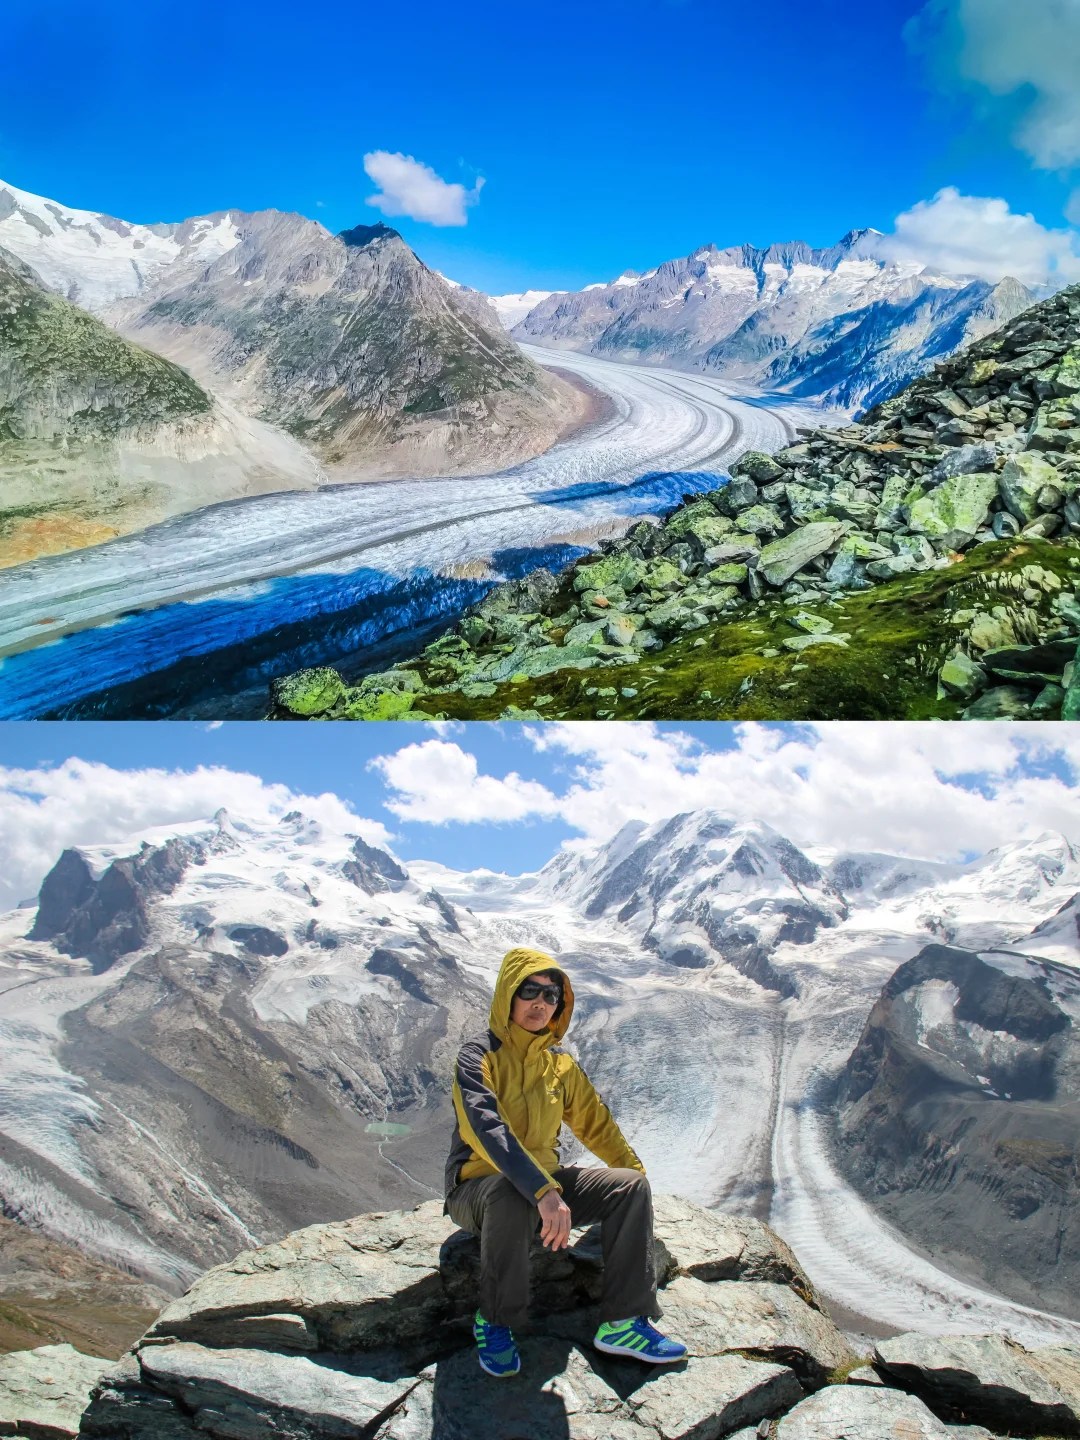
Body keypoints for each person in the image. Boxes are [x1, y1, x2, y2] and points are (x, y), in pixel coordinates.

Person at [444, 946, 688, 1377]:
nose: (541, 1002)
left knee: (628, 1187)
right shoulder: (476, 1056)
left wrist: (637, 1181)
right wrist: (544, 1191)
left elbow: (596, 1125)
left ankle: (623, 1322)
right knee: (508, 1191)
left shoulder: (559, 1063)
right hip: (479, 1191)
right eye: (530, 990)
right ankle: (496, 1320)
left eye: (551, 995)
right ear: (507, 995)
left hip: (546, 1188)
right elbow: (487, 1132)